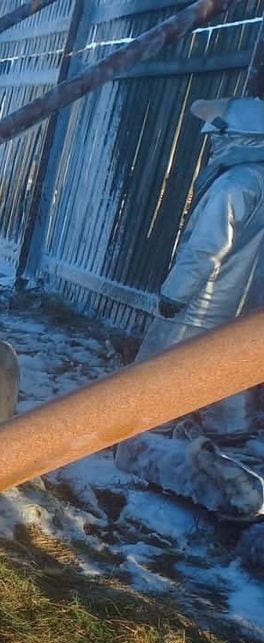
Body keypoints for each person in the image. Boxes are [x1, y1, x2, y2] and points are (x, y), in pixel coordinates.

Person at [115, 96, 264, 519]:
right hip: (248, 311)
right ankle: (229, 437)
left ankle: (155, 446)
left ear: (236, 137)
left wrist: (175, 293)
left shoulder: (235, 184)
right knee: (232, 378)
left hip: (205, 302)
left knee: (157, 386)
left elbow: (205, 249)